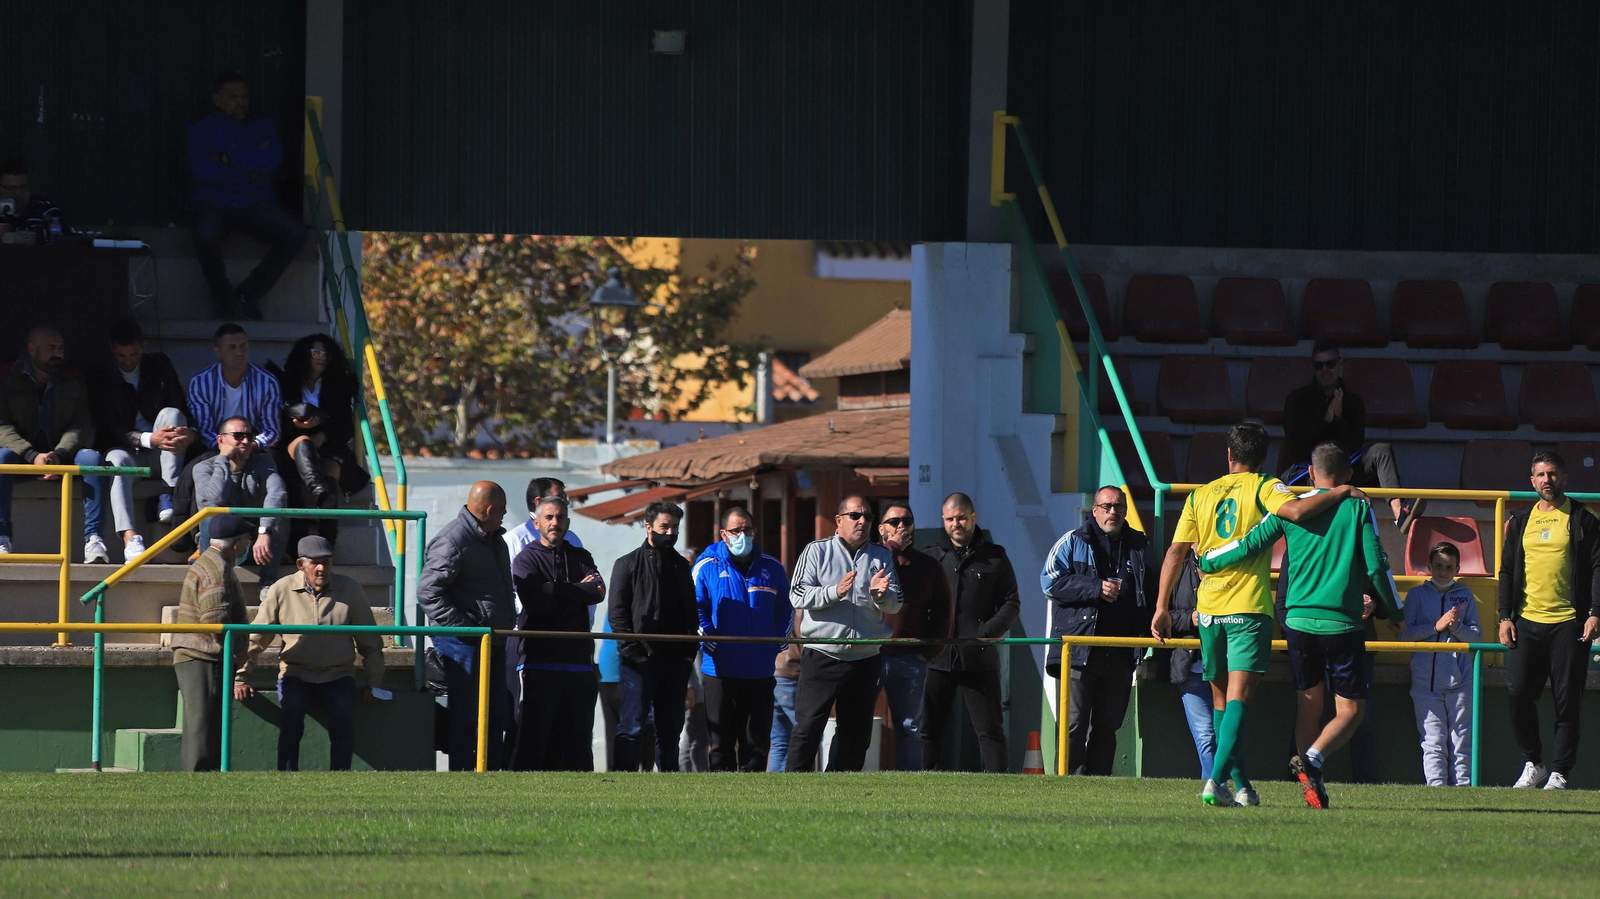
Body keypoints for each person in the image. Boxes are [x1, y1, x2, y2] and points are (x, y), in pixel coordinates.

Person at [1152, 421, 1360, 808]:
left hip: (1209, 610)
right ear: (1264, 458)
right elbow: (1296, 512)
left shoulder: (1201, 494)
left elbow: (1175, 553)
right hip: (1247, 607)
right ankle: (1215, 781)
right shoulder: (1266, 485)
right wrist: (1342, 491)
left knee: (1221, 703)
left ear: (1229, 455)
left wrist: (1162, 607)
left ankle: (1243, 787)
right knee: (1239, 700)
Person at [1199, 442, 1402, 809]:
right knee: (1350, 711)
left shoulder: (1290, 508)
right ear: (1350, 475)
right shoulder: (1357, 505)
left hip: (1297, 622)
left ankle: (1310, 785)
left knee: (1308, 705)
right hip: (1341, 623)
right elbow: (1376, 566)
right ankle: (1313, 760)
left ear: (1311, 473)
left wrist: (1210, 561)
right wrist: (1395, 612)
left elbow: (1249, 543)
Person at [235, 535, 384, 771]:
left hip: (338, 674)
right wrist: (240, 677)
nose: (322, 568)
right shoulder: (281, 589)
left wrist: (375, 684)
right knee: (291, 719)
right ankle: (286, 777)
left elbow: (370, 642)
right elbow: (256, 638)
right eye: (315, 562)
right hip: (295, 673)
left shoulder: (349, 589)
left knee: (343, 718)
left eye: (327, 561)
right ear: (300, 564)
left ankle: (340, 778)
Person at [1496, 451, 1600, 791]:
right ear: (1532, 481)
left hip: (1569, 623)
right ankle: (1534, 762)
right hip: (1527, 622)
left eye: (1552, 474)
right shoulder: (1520, 522)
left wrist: (1596, 612)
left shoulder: (1584, 519)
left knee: (1567, 699)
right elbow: (1508, 570)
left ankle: (1560, 771)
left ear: (1564, 478)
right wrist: (1503, 617)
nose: (1546, 480)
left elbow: (1599, 567)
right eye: (1540, 475)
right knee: (1517, 692)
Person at [1041, 486, 1158, 776]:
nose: (1112, 512)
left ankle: (1099, 784)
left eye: (1118, 506)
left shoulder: (1140, 548)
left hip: (1120, 651)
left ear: (1125, 511)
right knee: (1074, 723)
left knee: (1108, 727)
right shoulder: (1072, 541)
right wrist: (1095, 588)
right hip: (1079, 651)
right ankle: (1068, 785)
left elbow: (1153, 591)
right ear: (1094, 511)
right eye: (1106, 506)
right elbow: (1049, 582)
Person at [787, 495, 902, 772]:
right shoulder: (816, 551)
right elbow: (797, 594)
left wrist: (880, 595)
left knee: (856, 734)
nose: (862, 521)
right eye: (855, 516)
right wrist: (833, 592)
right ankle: (791, 788)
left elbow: (895, 603)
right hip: (823, 653)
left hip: (865, 658)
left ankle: (841, 788)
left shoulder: (882, 555)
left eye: (868, 517)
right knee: (808, 727)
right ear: (839, 521)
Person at [187, 71, 307, 320]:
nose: (240, 102)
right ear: (217, 99)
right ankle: (225, 300)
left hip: (256, 203)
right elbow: (203, 171)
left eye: (244, 96)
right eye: (233, 97)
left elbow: (271, 160)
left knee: (295, 233)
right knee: (204, 232)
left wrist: (228, 158)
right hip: (214, 202)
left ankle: (247, 294)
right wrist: (250, 171)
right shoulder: (202, 127)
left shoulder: (263, 125)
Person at [418, 481, 515, 771]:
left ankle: (492, 774)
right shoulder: (454, 540)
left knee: (495, 713)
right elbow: (428, 592)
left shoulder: (492, 538)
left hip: (491, 641)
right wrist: (466, 630)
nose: (504, 515)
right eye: (502, 510)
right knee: (467, 717)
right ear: (489, 510)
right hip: (465, 644)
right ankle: (462, 776)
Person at [923, 493, 1019, 773]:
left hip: (979, 658)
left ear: (974, 517)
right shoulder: (931, 558)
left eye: (962, 517)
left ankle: (997, 789)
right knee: (929, 731)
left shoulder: (995, 556)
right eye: (951, 519)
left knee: (989, 731)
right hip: (937, 660)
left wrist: (986, 633)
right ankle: (923, 785)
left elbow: (1011, 602)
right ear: (943, 520)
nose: (957, 524)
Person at [1280, 340, 1420, 531]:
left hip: (1346, 470)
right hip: (1310, 472)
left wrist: (1339, 418)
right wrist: (1325, 420)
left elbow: (1354, 444)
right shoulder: (1297, 399)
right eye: (1319, 365)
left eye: (1330, 364)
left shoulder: (1353, 401)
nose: (1325, 369)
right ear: (1312, 368)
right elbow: (1296, 444)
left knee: (1381, 450)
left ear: (1340, 364)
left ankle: (1399, 512)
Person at [694, 507, 793, 772]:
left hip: (760, 670)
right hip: (720, 670)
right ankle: (719, 803)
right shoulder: (707, 565)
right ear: (723, 534)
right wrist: (708, 637)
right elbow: (695, 606)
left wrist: (779, 641)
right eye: (736, 530)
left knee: (756, 745)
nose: (742, 535)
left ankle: (753, 803)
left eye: (747, 529)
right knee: (720, 744)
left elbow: (786, 607)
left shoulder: (772, 568)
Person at [0, 325, 110, 561]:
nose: (57, 353)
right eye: (50, 348)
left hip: (61, 456)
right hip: (22, 456)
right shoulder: (7, 378)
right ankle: (2, 537)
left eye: (60, 348)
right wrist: (31, 455)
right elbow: (2, 426)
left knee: (93, 459)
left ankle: (94, 540)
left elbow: (80, 424)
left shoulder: (73, 378)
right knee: (1, 458)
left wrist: (58, 454)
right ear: (32, 349)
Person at [510, 497, 604, 771]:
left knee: (578, 742)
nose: (555, 523)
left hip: (578, 662)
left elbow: (598, 591)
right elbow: (538, 602)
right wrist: (576, 590)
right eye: (549, 517)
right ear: (536, 522)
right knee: (534, 740)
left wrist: (556, 588)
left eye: (560, 517)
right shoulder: (526, 559)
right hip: (540, 661)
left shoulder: (580, 556)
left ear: (568, 522)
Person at [95, 319, 196, 561]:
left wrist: (190, 433)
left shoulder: (159, 365)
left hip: (164, 454)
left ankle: (167, 493)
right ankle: (130, 538)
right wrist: (150, 438)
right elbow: (109, 427)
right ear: (112, 349)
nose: (128, 360)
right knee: (115, 461)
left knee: (172, 414)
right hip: (128, 450)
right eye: (121, 355)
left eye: (134, 353)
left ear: (144, 346)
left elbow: (180, 405)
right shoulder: (101, 375)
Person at [609, 501, 698, 772]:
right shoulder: (627, 565)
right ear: (648, 527)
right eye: (664, 526)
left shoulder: (681, 567)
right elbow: (617, 615)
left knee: (671, 728)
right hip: (638, 662)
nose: (670, 533)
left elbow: (691, 614)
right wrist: (634, 651)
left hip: (674, 661)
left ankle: (669, 781)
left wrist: (686, 654)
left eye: (674, 527)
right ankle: (620, 780)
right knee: (632, 726)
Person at [266, 334, 371, 547]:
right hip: (292, 443)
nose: (321, 357)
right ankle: (316, 489)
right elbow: (274, 421)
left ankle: (328, 536)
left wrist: (323, 435)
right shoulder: (285, 383)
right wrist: (297, 426)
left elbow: (346, 428)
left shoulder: (338, 386)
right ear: (304, 355)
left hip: (328, 445)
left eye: (326, 354)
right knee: (303, 441)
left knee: (332, 471)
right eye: (316, 352)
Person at [171, 514, 253, 771]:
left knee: (204, 726)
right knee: (202, 729)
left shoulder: (209, 562)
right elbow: (215, 619)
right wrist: (238, 652)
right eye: (247, 540)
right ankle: (198, 782)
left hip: (199, 656)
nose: (248, 545)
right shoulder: (218, 568)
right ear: (237, 544)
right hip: (204, 656)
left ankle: (202, 779)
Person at [1398, 542, 1482, 787]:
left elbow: (1477, 637)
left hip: (1461, 681)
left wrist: (1455, 627)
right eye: (1438, 566)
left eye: (1448, 567)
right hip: (1425, 682)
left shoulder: (1465, 595)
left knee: (1461, 740)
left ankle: (1463, 789)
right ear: (1429, 567)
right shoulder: (1416, 595)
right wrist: (1436, 627)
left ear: (1457, 568)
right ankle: (1437, 790)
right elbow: (1404, 636)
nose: (1443, 572)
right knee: (1433, 740)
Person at [876, 504, 950, 771]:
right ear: (881, 528)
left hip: (910, 659)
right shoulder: (871, 558)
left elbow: (943, 613)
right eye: (894, 521)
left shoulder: (928, 566)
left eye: (906, 521)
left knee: (910, 729)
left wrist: (928, 652)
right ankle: (844, 781)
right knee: (857, 722)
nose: (900, 526)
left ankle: (908, 785)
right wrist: (892, 550)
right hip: (870, 655)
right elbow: (867, 582)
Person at [193, 416, 286, 594]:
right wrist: (223, 459)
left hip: (257, 543)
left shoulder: (263, 463)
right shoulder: (203, 468)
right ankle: (210, 582)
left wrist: (264, 531)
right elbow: (217, 496)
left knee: (282, 514)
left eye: (249, 437)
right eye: (238, 436)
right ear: (221, 440)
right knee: (211, 512)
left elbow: (277, 492)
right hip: (222, 540)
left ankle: (267, 583)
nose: (245, 441)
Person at [187, 324, 282, 449]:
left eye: (243, 346)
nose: (239, 352)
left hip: (253, 444)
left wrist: (250, 446)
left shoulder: (267, 381)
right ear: (218, 352)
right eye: (232, 347)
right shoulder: (201, 382)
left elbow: (272, 430)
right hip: (216, 445)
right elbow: (203, 429)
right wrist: (224, 447)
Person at [766, 609, 803, 773]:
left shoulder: (774, 602)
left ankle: (774, 785)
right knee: (804, 733)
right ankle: (792, 780)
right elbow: (805, 639)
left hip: (773, 671)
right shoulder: (799, 605)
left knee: (779, 741)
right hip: (792, 673)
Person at [0, 159, 64, 240]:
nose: (18, 192)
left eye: (23, 187)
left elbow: (61, 237)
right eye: (11, 188)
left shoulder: (44, 207)